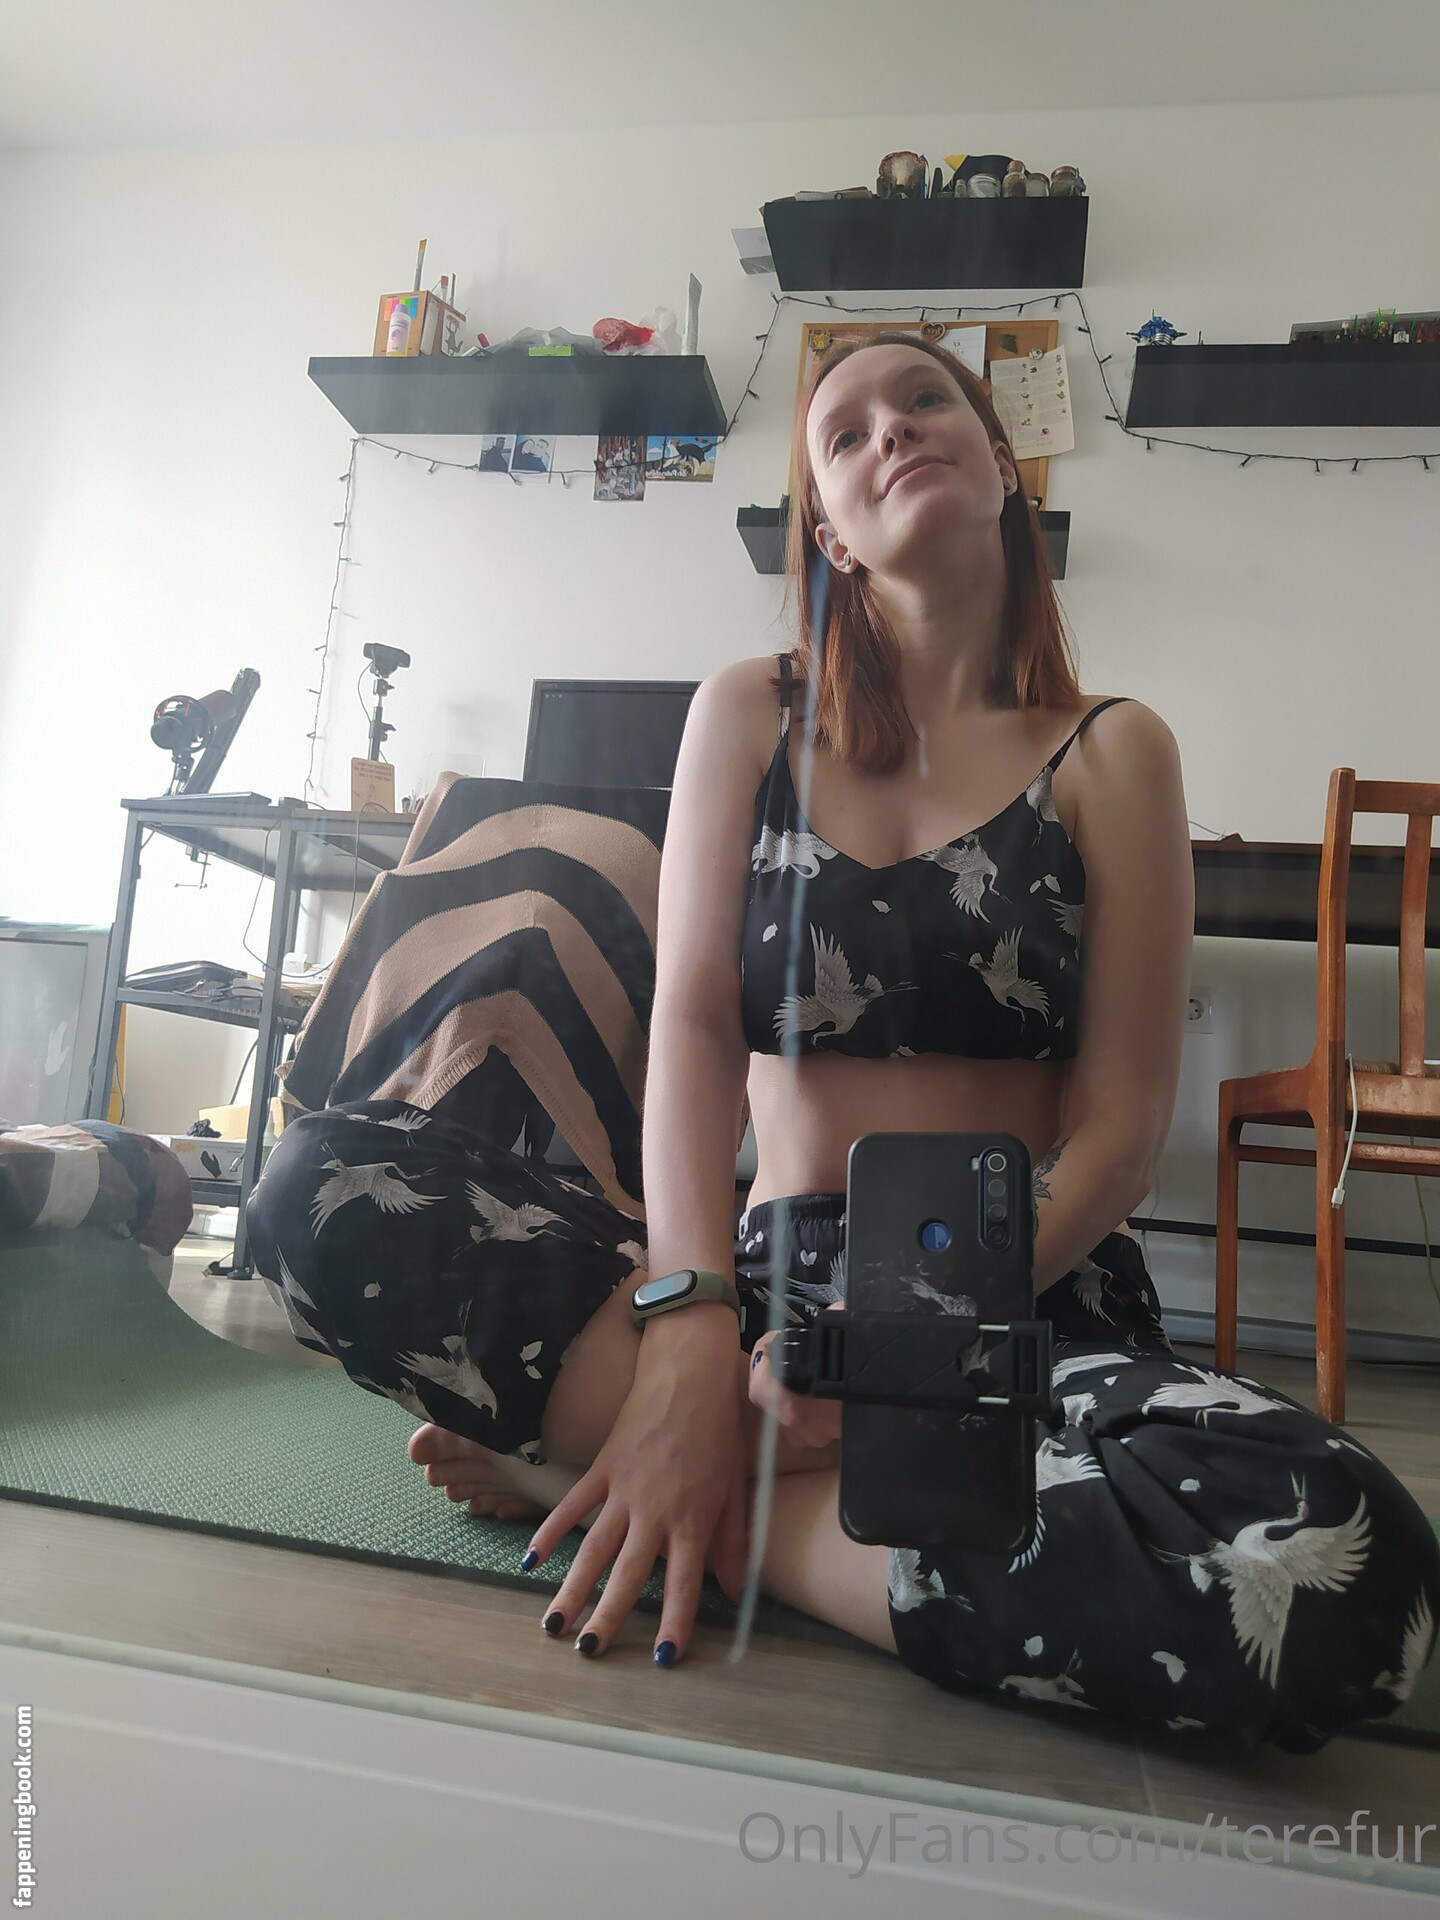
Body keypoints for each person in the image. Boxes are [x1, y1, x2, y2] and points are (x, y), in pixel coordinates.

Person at [246, 332, 1440, 1750]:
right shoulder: (750, 711)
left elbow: (1120, 1134)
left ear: (1005, 466)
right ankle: (724, 1450)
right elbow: (694, 1023)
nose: (894, 432)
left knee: (1339, 1559)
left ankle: (686, 1495)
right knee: (313, 1183)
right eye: (848, 432)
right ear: (827, 530)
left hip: (1016, 1297)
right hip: (754, 1284)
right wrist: (690, 1327)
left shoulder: (1117, 748)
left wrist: (887, 1348)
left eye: (928, 401)